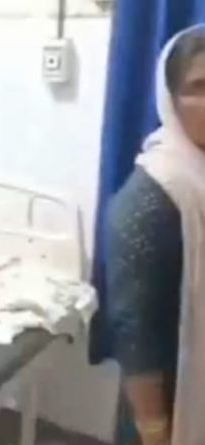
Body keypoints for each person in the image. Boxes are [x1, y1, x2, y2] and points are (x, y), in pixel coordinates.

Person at [106, 25, 205, 445]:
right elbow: (135, 334)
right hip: (170, 406)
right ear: (170, 99)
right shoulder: (149, 200)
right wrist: (154, 431)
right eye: (199, 87)